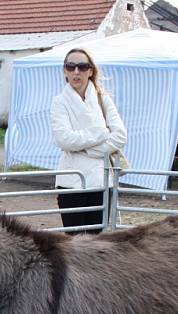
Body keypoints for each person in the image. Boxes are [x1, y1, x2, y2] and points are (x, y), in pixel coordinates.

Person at [49, 48, 127, 234]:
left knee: (97, 239)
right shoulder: (59, 102)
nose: (77, 71)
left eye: (82, 67)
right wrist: (100, 133)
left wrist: (89, 150)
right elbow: (64, 139)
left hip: (101, 180)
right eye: (71, 66)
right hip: (71, 182)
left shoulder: (103, 99)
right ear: (65, 71)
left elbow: (120, 135)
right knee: (74, 241)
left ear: (90, 71)